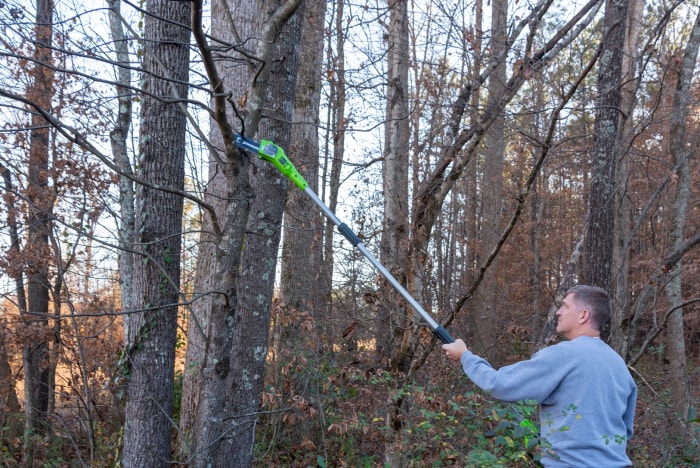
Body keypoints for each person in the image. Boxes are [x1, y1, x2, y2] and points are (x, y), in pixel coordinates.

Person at [442, 285, 637, 467]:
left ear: (583, 315)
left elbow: (500, 384)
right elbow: (625, 431)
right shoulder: (619, 364)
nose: (559, 312)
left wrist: (465, 357)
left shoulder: (563, 355)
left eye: (564, 306)